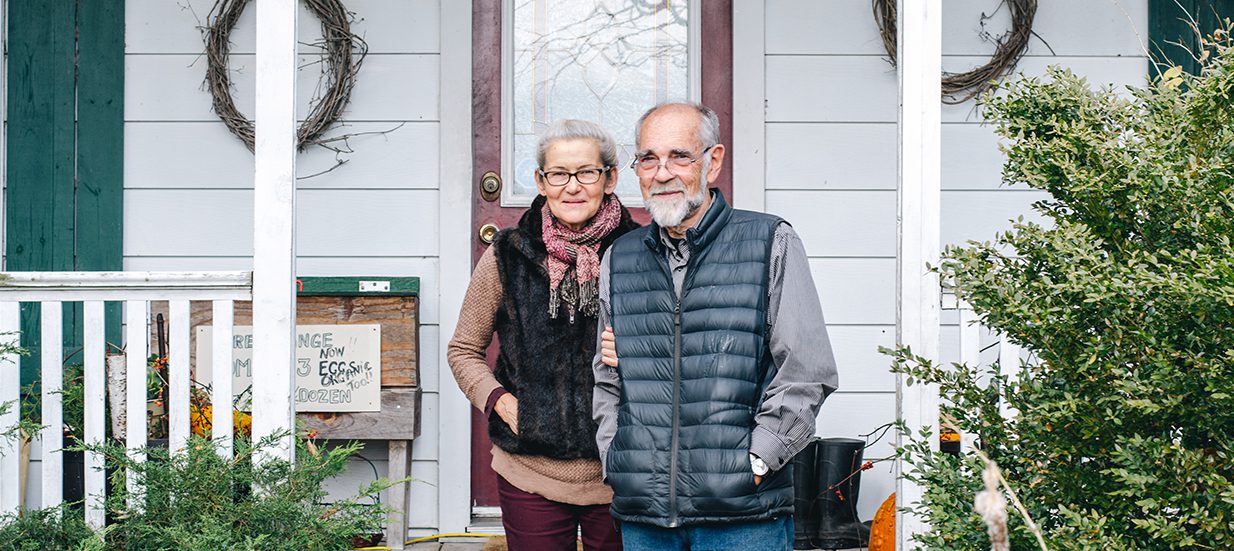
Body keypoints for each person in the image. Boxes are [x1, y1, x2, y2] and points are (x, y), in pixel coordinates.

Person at [592, 102, 839, 550]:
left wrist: (760, 458)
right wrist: (616, 458)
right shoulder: (619, 258)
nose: (662, 172)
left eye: (680, 156)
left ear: (713, 161)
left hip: (744, 513)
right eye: (648, 158)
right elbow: (608, 377)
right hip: (645, 515)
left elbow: (806, 369)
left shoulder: (770, 241)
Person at [448, 119, 640, 550]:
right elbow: (463, 350)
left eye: (587, 172)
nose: (572, 186)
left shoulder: (641, 252)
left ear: (610, 178)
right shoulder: (507, 254)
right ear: (540, 180)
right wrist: (502, 403)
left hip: (624, 465)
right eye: (558, 174)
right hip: (529, 466)